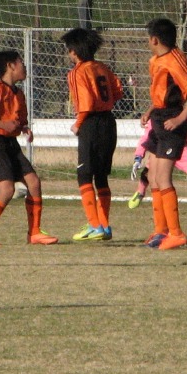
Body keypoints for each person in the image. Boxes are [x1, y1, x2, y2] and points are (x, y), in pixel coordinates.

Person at [0, 49, 58, 247]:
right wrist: (2, 124)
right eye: (20, 62)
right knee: (7, 190)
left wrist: (24, 128)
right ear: (10, 66)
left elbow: (18, 119)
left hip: (10, 145)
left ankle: (34, 232)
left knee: (34, 182)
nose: (24, 66)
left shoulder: (18, 93)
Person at [140, 17, 187, 251]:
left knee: (164, 178)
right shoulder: (156, 60)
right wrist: (150, 110)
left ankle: (177, 233)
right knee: (154, 177)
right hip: (159, 118)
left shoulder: (175, 60)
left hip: (171, 121)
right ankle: (161, 230)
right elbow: (162, 92)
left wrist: (180, 118)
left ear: (154, 40)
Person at [62, 27, 124, 243]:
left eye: (69, 49)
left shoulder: (77, 72)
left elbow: (86, 103)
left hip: (91, 124)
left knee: (84, 175)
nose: (69, 53)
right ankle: (104, 225)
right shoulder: (102, 67)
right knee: (101, 176)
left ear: (74, 51)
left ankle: (95, 225)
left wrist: (78, 124)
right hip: (109, 122)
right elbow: (118, 91)